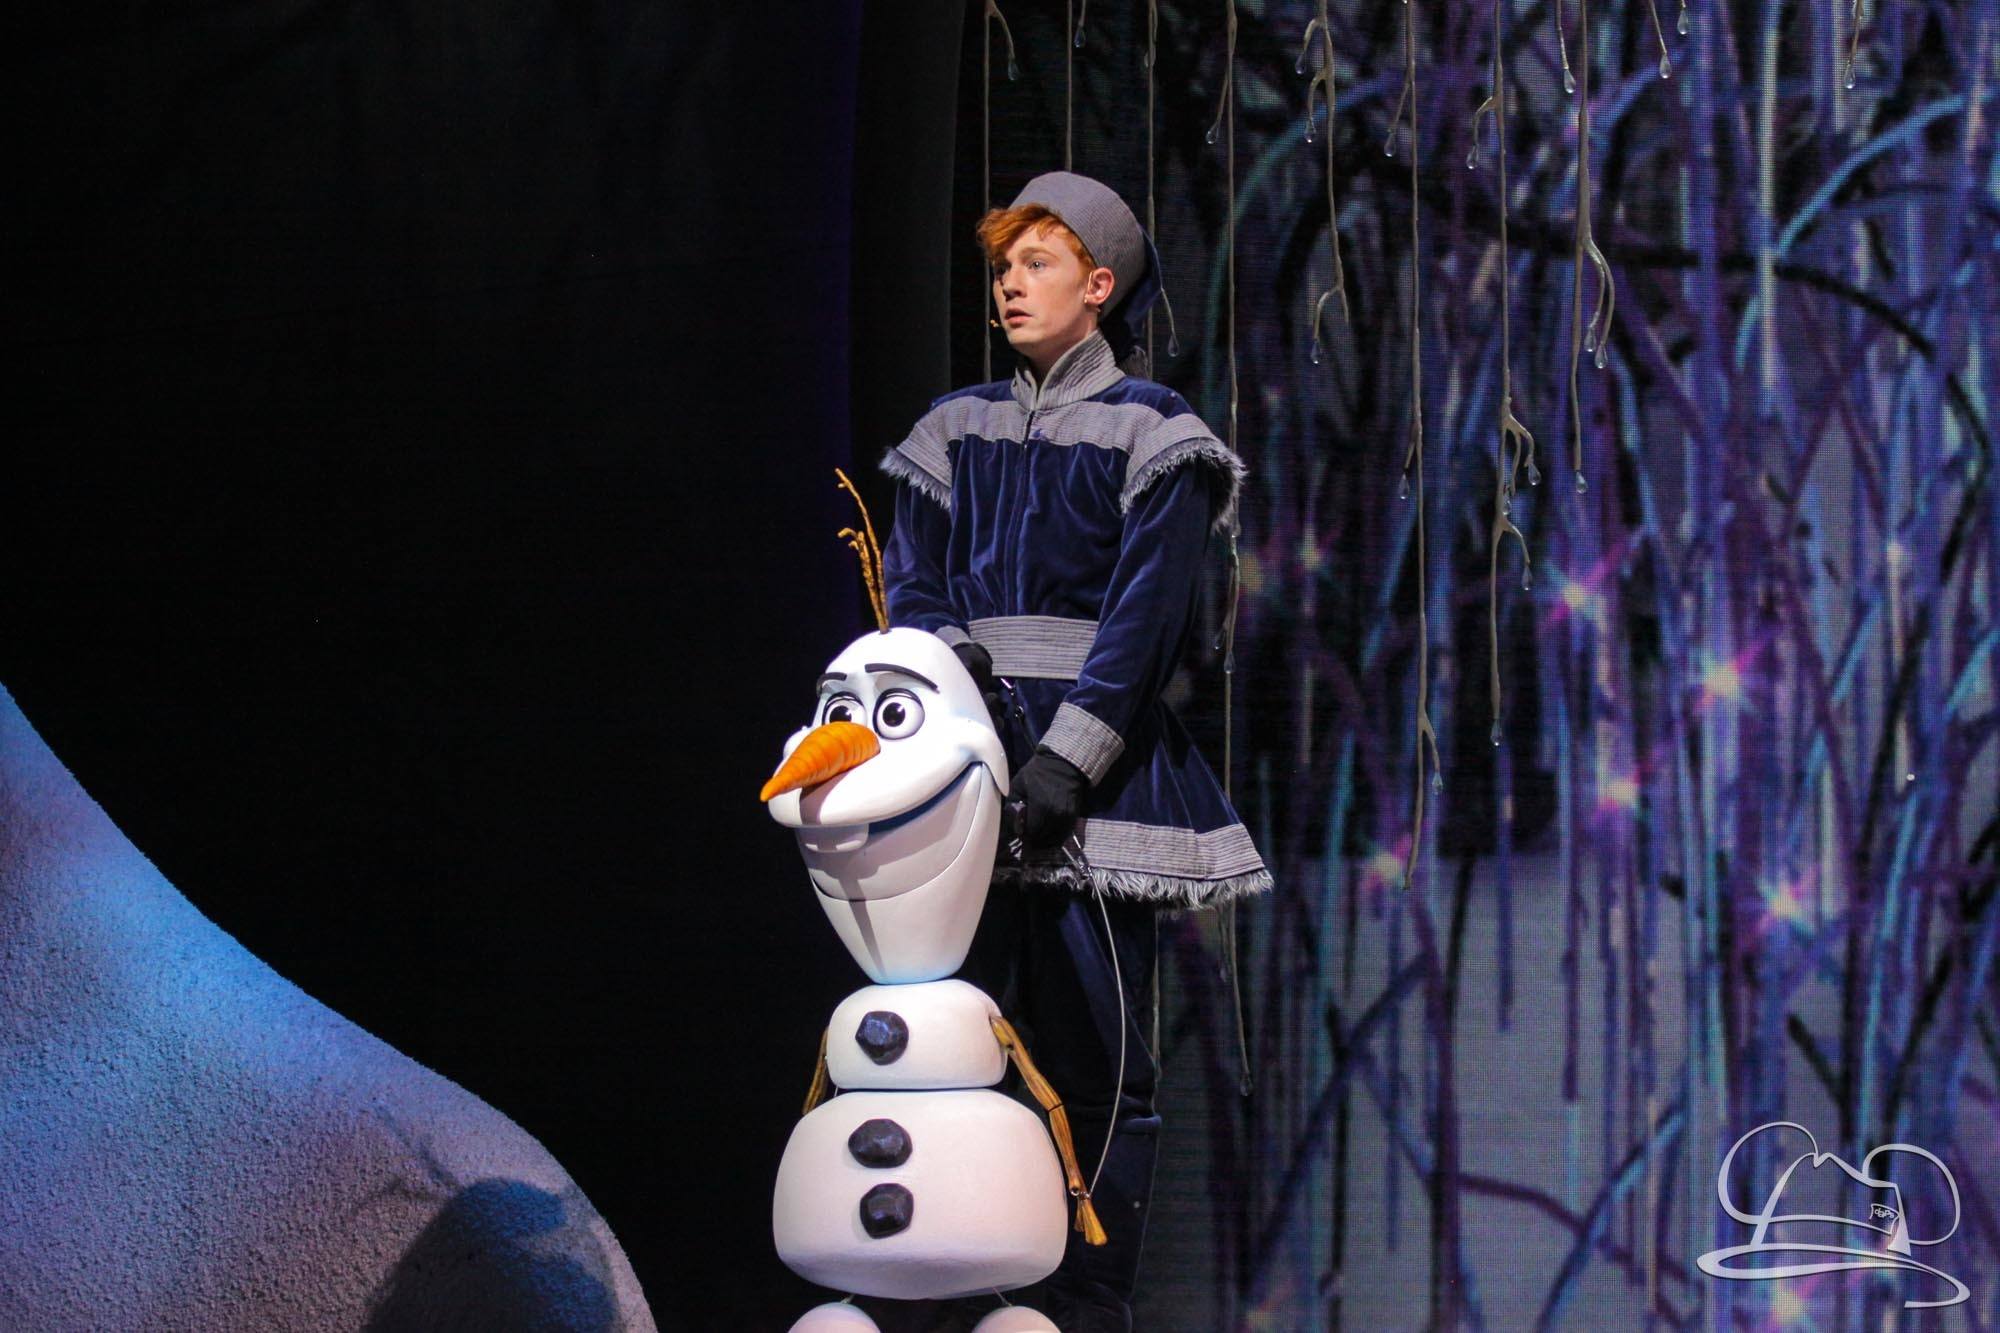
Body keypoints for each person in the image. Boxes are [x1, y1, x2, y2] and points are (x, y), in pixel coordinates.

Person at [877, 171, 1270, 1331]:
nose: (1008, 281)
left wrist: (1064, 763)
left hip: (1091, 788)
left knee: (1096, 1059)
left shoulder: (1154, 432)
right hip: (964, 771)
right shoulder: (953, 429)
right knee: (956, 1041)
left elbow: (1143, 628)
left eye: (1036, 262)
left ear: (1097, 286)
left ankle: (1081, 1299)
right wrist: (959, 702)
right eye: (1002, 263)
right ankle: (958, 1283)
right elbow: (914, 585)